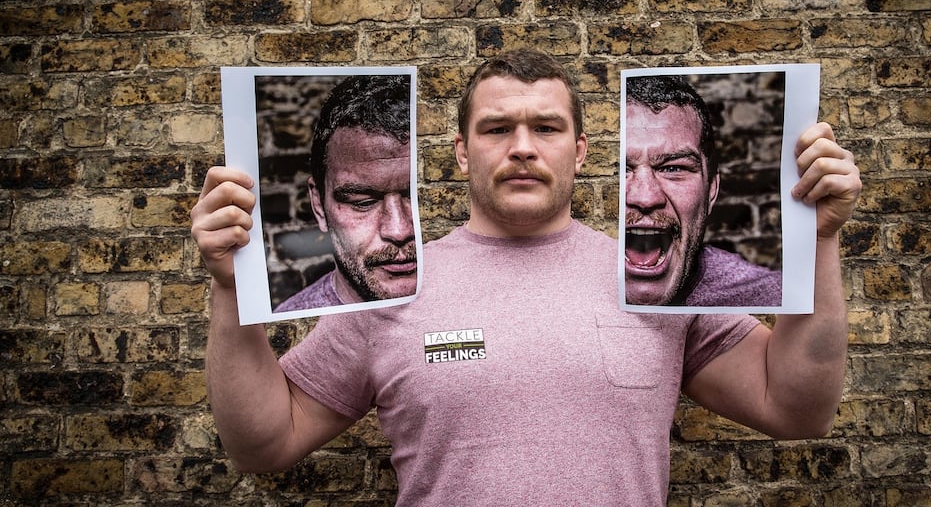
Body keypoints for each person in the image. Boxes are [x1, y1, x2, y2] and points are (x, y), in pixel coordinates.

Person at [190, 49, 861, 506]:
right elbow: (263, 443)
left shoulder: (656, 279)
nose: (521, 146)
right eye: (496, 128)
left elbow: (795, 406)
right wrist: (229, 288)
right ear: (459, 153)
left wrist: (819, 240)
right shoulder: (394, 283)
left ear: (581, 151)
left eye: (546, 126)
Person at [623, 74, 781, 307]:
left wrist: (826, 235)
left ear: (711, 191)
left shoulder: (769, 296)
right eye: (621, 170)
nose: (645, 198)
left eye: (673, 168)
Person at [274, 74, 417, 313]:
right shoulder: (285, 330)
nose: (399, 230)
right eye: (363, 203)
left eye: (416, 197)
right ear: (319, 206)